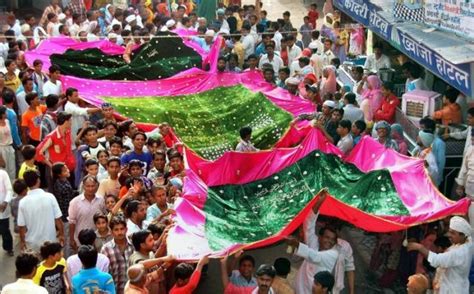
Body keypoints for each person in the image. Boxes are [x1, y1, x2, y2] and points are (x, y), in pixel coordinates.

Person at [408, 216, 472, 294]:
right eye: (450, 231)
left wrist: (419, 247)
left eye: (453, 233)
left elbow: (437, 260)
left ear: (462, 235)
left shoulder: (460, 252)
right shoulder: (468, 242)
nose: (449, 235)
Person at [18, 170, 64, 252]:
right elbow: (58, 219)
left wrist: (22, 241)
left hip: (32, 243)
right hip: (50, 242)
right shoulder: (50, 197)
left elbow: (21, 226)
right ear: (38, 180)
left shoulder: (23, 202)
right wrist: (61, 234)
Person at [69, 175, 106, 252]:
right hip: (80, 241)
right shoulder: (75, 202)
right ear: (83, 186)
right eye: (88, 186)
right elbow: (72, 222)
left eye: (93, 186)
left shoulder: (101, 200)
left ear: (97, 186)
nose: (90, 189)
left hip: (97, 240)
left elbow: (104, 216)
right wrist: (72, 239)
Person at [101, 216, 135, 294]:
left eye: (122, 229)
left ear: (126, 229)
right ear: (111, 232)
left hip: (132, 290)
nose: (120, 232)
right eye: (116, 230)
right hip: (114, 290)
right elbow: (105, 273)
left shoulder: (133, 245)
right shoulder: (106, 249)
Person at [455, 128, 474, 227]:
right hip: (469, 192)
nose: (472, 141)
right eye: (471, 139)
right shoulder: (470, 149)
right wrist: (460, 185)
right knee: (467, 220)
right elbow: (464, 168)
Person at [0, 159, 13, 256]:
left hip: (2, 209)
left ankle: (8, 248)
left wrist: (5, 202)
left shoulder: (3, 174)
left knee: (5, 230)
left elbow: (9, 190)